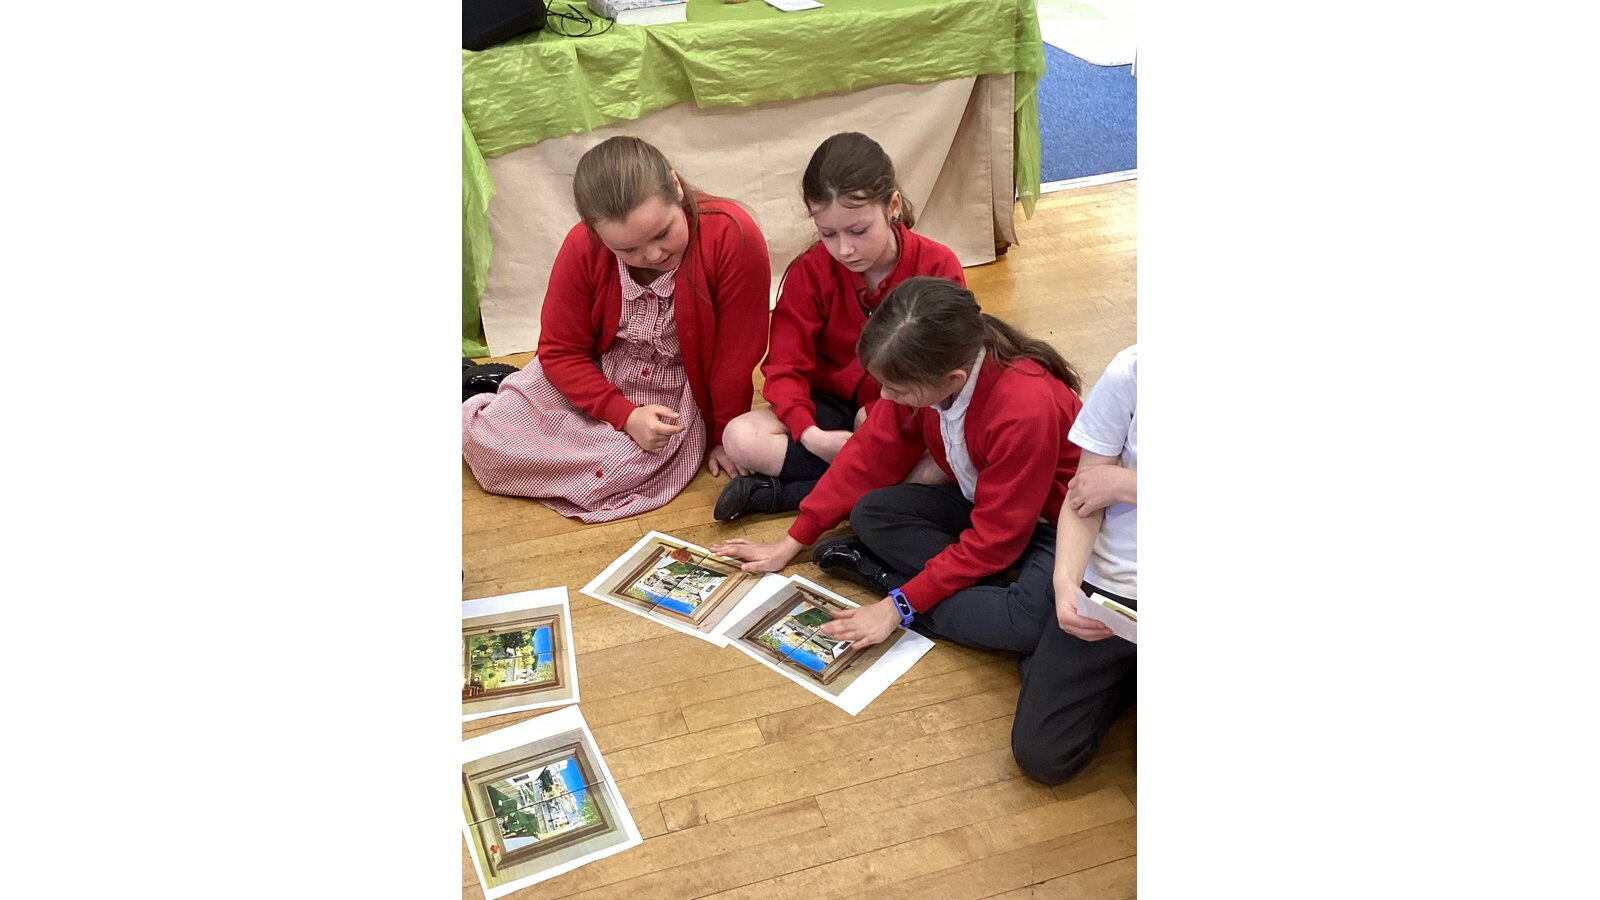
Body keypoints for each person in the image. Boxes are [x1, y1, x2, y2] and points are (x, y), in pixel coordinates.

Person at [710, 277, 1084, 670]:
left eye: (897, 390)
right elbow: (868, 455)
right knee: (871, 512)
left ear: (953, 380)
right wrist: (791, 542)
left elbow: (996, 541)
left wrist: (898, 606)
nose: (886, 397)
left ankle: (890, 579)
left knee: (1028, 623)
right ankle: (971, 596)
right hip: (987, 505)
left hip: (1056, 526)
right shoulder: (932, 371)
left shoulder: (1022, 409)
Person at [462, 136, 771, 523]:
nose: (653, 255)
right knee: (485, 442)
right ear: (597, 234)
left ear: (676, 186)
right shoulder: (583, 245)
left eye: (662, 233)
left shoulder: (732, 236)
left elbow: (734, 359)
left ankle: (494, 385)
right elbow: (560, 351)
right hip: (597, 375)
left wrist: (723, 434)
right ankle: (487, 386)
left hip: (675, 389)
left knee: (619, 469)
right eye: (628, 250)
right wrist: (624, 415)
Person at [712, 132, 966, 523]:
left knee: (943, 462)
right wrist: (810, 434)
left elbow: (948, 371)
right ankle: (870, 490)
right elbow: (784, 368)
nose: (844, 249)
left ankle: (788, 495)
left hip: (907, 407)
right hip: (829, 408)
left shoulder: (937, 265)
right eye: (828, 234)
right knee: (740, 438)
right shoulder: (811, 271)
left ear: (893, 206)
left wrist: (879, 416)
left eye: (858, 231)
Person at [1016, 344, 1138, 785]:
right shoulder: (1132, 371)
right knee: (1042, 755)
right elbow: (1084, 495)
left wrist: (1128, 485)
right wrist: (1066, 582)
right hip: (1115, 588)